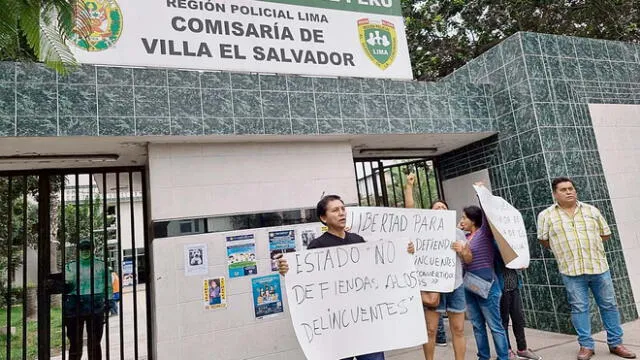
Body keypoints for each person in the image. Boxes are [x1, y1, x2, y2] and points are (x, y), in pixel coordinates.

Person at [276, 194, 415, 360]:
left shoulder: (358, 240)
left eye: (343, 209)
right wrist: (287, 271)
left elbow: (378, 270)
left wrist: (404, 253)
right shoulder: (317, 246)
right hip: (337, 326)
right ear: (323, 217)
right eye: (335, 210)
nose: (342, 213)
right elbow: (307, 282)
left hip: (365, 319)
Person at [537, 177, 636, 360]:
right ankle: (586, 346)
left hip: (598, 267)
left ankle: (616, 343)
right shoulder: (546, 216)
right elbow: (543, 240)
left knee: (609, 305)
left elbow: (605, 234)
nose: (569, 192)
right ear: (554, 194)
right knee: (579, 308)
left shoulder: (591, 210)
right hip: (571, 270)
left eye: (571, 188)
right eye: (564, 189)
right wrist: (564, 250)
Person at [421, 199, 471, 360]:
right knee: (430, 330)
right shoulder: (424, 233)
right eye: (437, 207)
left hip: (456, 286)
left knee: (458, 329)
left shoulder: (458, 233)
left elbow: (469, 259)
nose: (441, 209)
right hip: (434, 286)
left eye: (444, 207)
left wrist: (463, 251)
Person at [460, 201, 509, 360]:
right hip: (469, 286)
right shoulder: (464, 237)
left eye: (464, 217)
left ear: (473, 220)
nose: (461, 221)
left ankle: (503, 357)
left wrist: (481, 194)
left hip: (487, 285)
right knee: (477, 326)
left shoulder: (484, 233)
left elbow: (488, 216)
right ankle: (483, 356)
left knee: (495, 326)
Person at [64, 238, 112, 360]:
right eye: (82, 248)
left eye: (88, 248)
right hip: (75, 305)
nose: (85, 251)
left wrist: (109, 301)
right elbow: (65, 286)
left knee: (95, 342)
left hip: (95, 304)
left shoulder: (101, 266)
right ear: (78, 250)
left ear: (92, 250)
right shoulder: (70, 266)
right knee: (75, 342)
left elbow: (108, 285)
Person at [495, 258, 541, 360]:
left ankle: (522, 349)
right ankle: (506, 351)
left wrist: (521, 262)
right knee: (503, 322)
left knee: (518, 319)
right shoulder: (493, 245)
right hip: (501, 289)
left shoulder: (511, 242)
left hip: (513, 286)